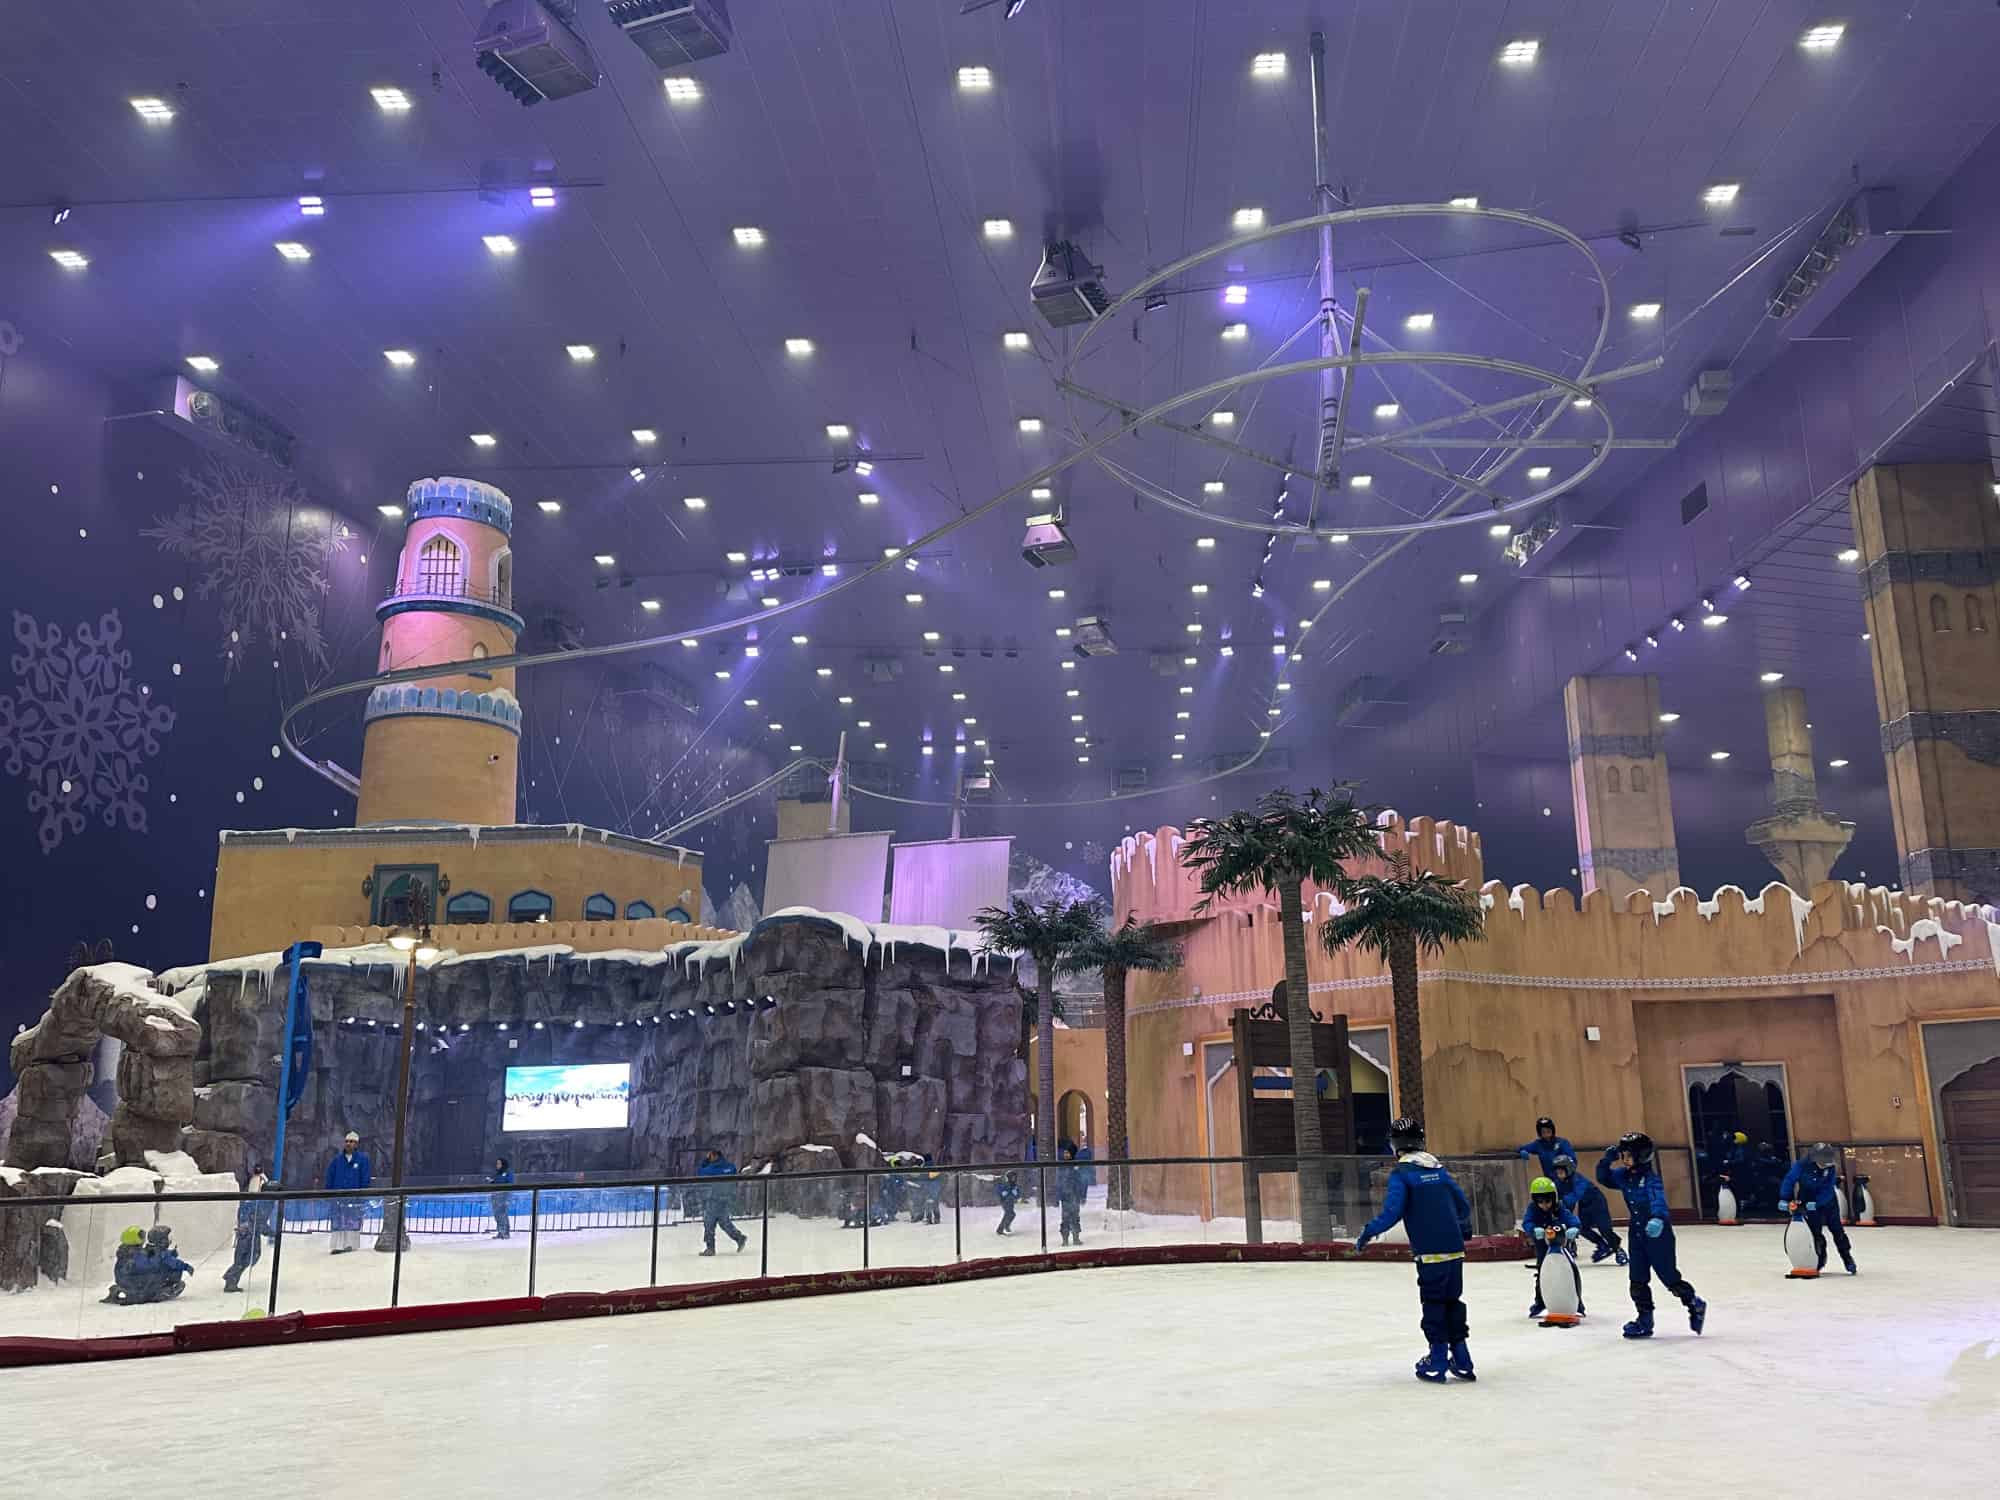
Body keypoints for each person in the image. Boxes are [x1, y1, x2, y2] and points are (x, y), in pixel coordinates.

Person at [1355, 1117, 1476, 1384]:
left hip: (1430, 1253)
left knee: (1433, 1302)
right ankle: (1462, 1358)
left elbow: (1392, 1213)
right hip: (1455, 1250)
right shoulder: (1439, 1169)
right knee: (1452, 1301)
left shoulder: (1403, 1174)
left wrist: (1368, 1231)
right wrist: (1462, 1226)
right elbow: (1462, 1204)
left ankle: (1438, 1358)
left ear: (1395, 1144)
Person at [1597, 1130, 1705, 1339]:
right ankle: (1644, 1320)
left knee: (1669, 1278)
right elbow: (1605, 1179)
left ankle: (1694, 1303)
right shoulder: (1623, 1176)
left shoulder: (1650, 1179)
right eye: (1622, 1155)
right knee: (1637, 1279)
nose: (1624, 1159)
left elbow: (1658, 1200)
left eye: (1628, 1155)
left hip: (1658, 1236)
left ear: (1641, 1156)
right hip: (1637, 1234)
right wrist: (1605, 1161)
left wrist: (1658, 1218)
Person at [1780, 1143, 1856, 1275]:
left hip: (1828, 1202)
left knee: (1837, 1230)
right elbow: (1789, 1180)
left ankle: (1847, 1257)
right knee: (1814, 1231)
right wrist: (1785, 1198)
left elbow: (1828, 1188)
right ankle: (1818, 1260)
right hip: (1807, 1198)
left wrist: (1817, 1202)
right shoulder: (1801, 1166)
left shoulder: (1830, 1168)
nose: (1825, 1164)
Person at [1521, 1176, 1585, 1319]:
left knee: (1571, 1272)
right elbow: (1527, 1222)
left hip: (1562, 1248)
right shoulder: (1533, 1209)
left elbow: (1572, 1220)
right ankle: (1540, 1303)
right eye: (1540, 1202)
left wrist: (1574, 1228)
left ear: (1554, 1198)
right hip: (1543, 1248)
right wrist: (1533, 1230)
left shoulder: (1559, 1208)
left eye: (1547, 1201)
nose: (1544, 1205)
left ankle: (1578, 1304)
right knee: (1542, 1275)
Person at [1551, 1153, 1625, 1265]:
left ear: (1569, 1169)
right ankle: (1602, 1245)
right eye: (1557, 1171)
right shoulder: (1559, 1183)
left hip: (1597, 1202)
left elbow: (1576, 1195)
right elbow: (1557, 1196)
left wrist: (1561, 1204)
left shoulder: (1578, 1180)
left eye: (1561, 1170)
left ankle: (1618, 1250)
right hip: (1585, 1205)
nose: (1559, 1174)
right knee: (1582, 1228)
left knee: (1605, 1228)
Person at [222, 1172, 277, 1293]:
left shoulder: (265, 1202)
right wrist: (270, 1232)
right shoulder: (265, 1203)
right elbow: (259, 1220)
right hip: (248, 1233)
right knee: (245, 1258)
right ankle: (231, 1280)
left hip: (251, 1231)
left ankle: (231, 1275)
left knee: (251, 1257)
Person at [118, 1225, 193, 1305]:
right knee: (175, 1269)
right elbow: (171, 1262)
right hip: (142, 1281)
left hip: (132, 1280)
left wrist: (170, 1254)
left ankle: (152, 1290)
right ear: (162, 1240)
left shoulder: (141, 1250)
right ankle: (159, 1291)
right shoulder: (138, 1253)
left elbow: (159, 1255)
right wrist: (186, 1267)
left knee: (160, 1269)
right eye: (168, 1239)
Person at [324, 1131, 371, 1254]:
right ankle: (338, 1246)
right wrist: (328, 1193)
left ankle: (351, 1245)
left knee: (352, 1220)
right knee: (338, 1221)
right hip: (337, 1197)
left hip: (354, 1198)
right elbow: (330, 1177)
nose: (348, 1144)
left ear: (356, 1144)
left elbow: (365, 1179)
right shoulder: (336, 1160)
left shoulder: (362, 1160)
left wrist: (362, 1195)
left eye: (351, 1141)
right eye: (347, 1141)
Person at [696, 1148, 748, 1255]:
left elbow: (701, 1172)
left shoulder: (712, 1168)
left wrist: (705, 1161)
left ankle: (710, 1248)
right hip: (725, 1199)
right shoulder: (730, 1167)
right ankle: (739, 1238)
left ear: (714, 1156)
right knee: (724, 1223)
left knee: (709, 1223)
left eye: (710, 1156)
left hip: (714, 1199)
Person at [101, 1225, 147, 1304]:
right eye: (141, 1236)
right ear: (134, 1239)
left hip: (122, 1279)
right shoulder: (134, 1253)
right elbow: (143, 1265)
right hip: (132, 1281)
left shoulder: (124, 1250)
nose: (143, 1239)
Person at [1055, 1142, 1088, 1246]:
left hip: (1075, 1197)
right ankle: (1065, 1240)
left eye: (1067, 1153)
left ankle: (1075, 1238)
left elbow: (1083, 1182)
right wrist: (1058, 1195)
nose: (1065, 1155)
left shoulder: (1076, 1166)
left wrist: (1082, 1196)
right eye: (1064, 1153)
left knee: (1075, 1218)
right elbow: (1058, 1182)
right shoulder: (1061, 1166)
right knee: (1065, 1218)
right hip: (1065, 1197)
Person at [488, 1157, 514, 1240]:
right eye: (497, 1163)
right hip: (496, 1197)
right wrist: (492, 1182)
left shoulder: (508, 1173)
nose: (497, 1165)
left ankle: (505, 1233)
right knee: (497, 1215)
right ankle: (500, 1232)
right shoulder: (496, 1174)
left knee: (503, 1215)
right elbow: (496, 1183)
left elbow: (509, 1184)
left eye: (499, 1163)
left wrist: (507, 1199)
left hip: (504, 1197)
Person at [994, 1171, 1022, 1236]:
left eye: (1015, 1177)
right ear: (1009, 1177)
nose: (1014, 1179)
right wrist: (1004, 1193)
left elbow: (1017, 1194)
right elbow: (1000, 1191)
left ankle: (1006, 1226)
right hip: (1005, 1202)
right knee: (1008, 1213)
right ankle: (1000, 1230)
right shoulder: (1005, 1184)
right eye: (1012, 1177)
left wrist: (1017, 1196)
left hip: (1011, 1202)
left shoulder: (1014, 1185)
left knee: (1012, 1214)